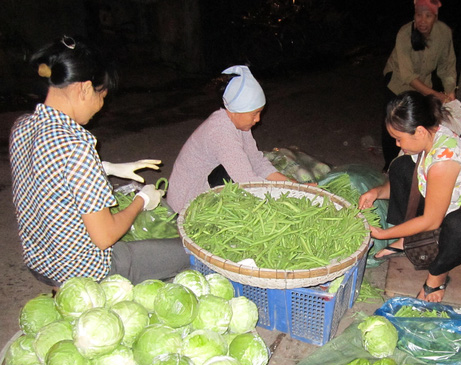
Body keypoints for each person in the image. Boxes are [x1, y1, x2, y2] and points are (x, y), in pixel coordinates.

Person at [9, 35, 191, 287]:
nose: (102, 106)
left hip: (40, 262)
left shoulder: (23, 126)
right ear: (83, 88)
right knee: (192, 250)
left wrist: (106, 168)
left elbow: (45, 173)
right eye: (101, 96)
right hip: (84, 272)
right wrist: (142, 200)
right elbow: (105, 237)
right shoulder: (77, 146)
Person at [359, 92, 461, 302]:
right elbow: (414, 180)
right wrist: (377, 192)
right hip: (452, 215)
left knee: (458, 223)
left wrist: (382, 234)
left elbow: (432, 220)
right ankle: (405, 240)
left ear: (420, 131)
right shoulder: (430, 138)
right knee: (402, 167)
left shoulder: (444, 160)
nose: (397, 144)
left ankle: (437, 279)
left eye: (399, 138)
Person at [167, 65, 294, 214]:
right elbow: (247, 181)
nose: (258, 119)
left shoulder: (238, 124)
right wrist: (289, 197)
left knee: (246, 168)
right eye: (254, 113)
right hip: (186, 204)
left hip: (205, 185)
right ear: (236, 110)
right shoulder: (220, 132)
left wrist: (292, 186)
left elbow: (256, 161)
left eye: (259, 112)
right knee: (244, 190)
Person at [381, 0, 458, 172]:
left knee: (417, 125)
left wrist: (450, 92)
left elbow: (447, 67)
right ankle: (390, 165)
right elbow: (408, 75)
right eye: (418, 15)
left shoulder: (443, 33)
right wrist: (435, 95)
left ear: (435, 17)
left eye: (428, 16)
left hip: (424, 82)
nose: (422, 20)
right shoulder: (404, 33)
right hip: (397, 82)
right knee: (394, 124)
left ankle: (414, 164)